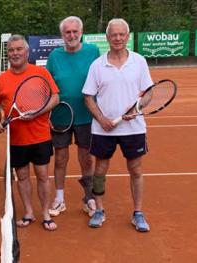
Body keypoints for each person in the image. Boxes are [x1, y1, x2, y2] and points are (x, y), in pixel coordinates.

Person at [82, 18, 152, 232]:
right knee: (100, 170)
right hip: (104, 130)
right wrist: (101, 119)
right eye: (114, 35)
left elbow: (149, 92)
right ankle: (99, 210)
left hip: (134, 128)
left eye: (122, 34)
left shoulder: (139, 61)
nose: (118, 38)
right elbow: (88, 97)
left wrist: (137, 109)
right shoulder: (97, 65)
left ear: (128, 37)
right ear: (107, 38)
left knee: (135, 169)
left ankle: (138, 213)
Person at [0, 35, 60, 231]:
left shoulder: (40, 73)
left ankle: (45, 214)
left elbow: (55, 97)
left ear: (27, 52)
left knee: (42, 176)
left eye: (19, 49)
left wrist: (38, 112)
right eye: (11, 50)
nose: (15, 53)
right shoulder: (1, 79)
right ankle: (29, 212)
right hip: (16, 139)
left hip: (40, 136)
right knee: (22, 176)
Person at [46, 16, 100, 217]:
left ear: (81, 32)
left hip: (87, 114)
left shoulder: (93, 52)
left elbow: (100, 80)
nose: (71, 35)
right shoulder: (54, 56)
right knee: (60, 158)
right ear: (62, 35)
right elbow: (47, 87)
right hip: (61, 115)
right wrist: (47, 112)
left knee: (86, 158)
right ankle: (59, 200)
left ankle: (89, 198)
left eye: (75, 31)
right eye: (67, 32)